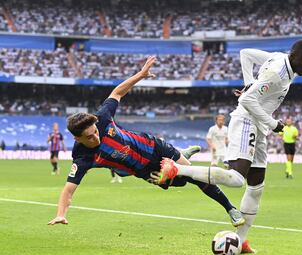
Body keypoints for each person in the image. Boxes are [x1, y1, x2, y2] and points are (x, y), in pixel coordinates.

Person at [48, 56, 244, 228]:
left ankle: (230, 209)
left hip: (155, 147)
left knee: (195, 177)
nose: (96, 136)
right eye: (90, 137)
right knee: (181, 182)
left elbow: (117, 92)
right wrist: (60, 214)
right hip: (144, 171)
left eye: (95, 132)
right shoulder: (82, 157)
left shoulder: (102, 118)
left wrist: (141, 75)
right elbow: (69, 189)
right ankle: (182, 154)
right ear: (77, 139)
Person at [159, 40, 302, 253]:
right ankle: (177, 169)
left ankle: (241, 240)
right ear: (294, 57)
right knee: (236, 178)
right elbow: (247, 101)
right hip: (247, 120)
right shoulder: (277, 74)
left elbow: (246, 53)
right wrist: (273, 123)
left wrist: (250, 82)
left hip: (258, 125)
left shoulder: (281, 59)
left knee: (256, 187)